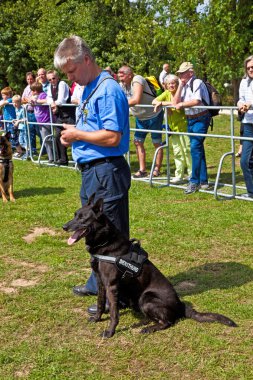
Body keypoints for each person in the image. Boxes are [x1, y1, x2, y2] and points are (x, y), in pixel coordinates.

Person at [54, 36, 131, 311]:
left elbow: (112, 137)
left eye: (72, 70)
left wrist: (78, 134)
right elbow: (94, 128)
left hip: (106, 171)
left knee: (113, 235)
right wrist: (74, 137)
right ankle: (96, 282)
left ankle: (118, 294)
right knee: (96, 232)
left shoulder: (108, 90)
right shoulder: (89, 88)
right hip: (93, 171)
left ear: (86, 59)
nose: (70, 77)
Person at [118, 65, 164, 178]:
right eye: (119, 77)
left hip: (154, 115)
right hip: (140, 117)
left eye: (122, 76)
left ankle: (157, 169)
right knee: (138, 142)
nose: (120, 79)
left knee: (156, 142)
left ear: (130, 75)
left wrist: (117, 104)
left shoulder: (137, 79)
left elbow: (136, 99)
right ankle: (142, 170)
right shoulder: (122, 85)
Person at [174, 62, 211, 194]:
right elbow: (174, 103)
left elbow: (196, 101)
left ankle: (194, 181)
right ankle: (204, 181)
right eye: (179, 73)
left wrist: (182, 104)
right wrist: (180, 86)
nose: (180, 75)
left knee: (195, 147)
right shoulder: (183, 85)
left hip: (201, 118)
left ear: (191, 72)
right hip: (190, 119)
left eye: (183, 73)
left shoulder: (197, 83)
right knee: (197, 148)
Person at [152, 74, 192, 183]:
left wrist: (165, 104)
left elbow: (178, 103)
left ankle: (191, 174)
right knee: (177, 152)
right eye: (169, 84)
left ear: (177, 84)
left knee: (187, 150)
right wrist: (165, 104)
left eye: (173, 83)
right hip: (173, 128)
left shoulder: (182, 92)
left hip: (184, 127)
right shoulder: (167, 93)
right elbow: (154, 101)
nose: (171, 86)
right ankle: (179, 175)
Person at [46, 70, 76, 165]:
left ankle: (78, 159)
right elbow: (48, 98)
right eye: (49, 79)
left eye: (53, 78)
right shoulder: (50, 87)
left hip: (69, 114)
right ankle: (62, 159)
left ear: (57, 77)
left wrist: (54, 104)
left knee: (74, 136)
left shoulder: (62, 84)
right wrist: (52, 104)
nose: (52, 81)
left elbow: (61, 100)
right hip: (60, 115)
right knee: (57, 136)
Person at [237, 55, 253, 198]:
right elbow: (241, 99)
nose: (250, 69)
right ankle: (251, 192)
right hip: (248, 124)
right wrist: (240, 104)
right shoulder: (244, 82)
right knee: (245, 161)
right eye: (248, 67)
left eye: (252, 67)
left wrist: (250, 104)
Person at [30, 82, 54, 163]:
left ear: (36, 90)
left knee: (48, 139)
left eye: (32, 90)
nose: (32, 92)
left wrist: (36, 100)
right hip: (40, 121)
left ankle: (55, 155)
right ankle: (51, 157)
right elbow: (34, 105)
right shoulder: (35, 96)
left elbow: (46, 101)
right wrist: (32, 102)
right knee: (45, 139)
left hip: (46, 120)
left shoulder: (43, 95)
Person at [22, 71, 41, 156]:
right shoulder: (26, 88)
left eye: (31, 79)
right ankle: (33, 150)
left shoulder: (38, 87)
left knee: (39, 132)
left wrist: (28, 99)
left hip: (36, 112)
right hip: (28, 112)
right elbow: (22, 99)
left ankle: (45, 149)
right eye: (28, 79)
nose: (29, 80)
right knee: (30, 132)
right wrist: (28, 99)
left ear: (34, 79)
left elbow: (37, 98)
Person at [0, 87, 18, 151]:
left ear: (9, 95)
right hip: (6, 121)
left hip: (12, 121)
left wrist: (2, 102)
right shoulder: (4, 100)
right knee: (8, 135)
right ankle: (11, 148)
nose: (2, 96)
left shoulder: (10, 99)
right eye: (2, 95)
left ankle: (19, 149)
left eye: (4, 95)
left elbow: (3, 103)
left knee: (13, 135)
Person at [12, 95, 28, 159]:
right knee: (20, 141)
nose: (15, 104)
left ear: (20, 102)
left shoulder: (22, 109)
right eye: (13, 102)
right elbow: (19, 118)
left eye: (16, 102)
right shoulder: (16, 109)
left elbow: (25, 119)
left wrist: (18, 121)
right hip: (20, 127)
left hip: (24, 128)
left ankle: (28, 153)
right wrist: (15, 120)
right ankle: (24, 153)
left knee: (25, 141)